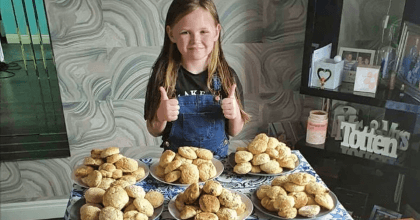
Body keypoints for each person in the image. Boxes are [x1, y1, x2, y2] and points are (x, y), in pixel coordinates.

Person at [144, 0, 249, 157]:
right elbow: (153, 130)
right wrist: (160, 116)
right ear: (171, 33)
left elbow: (234, 131)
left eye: (203, 32)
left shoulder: (227, 77)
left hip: (216, 166)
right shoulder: (162, 77)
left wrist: (234, 114)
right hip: (176, 168)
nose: (196, 40)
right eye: (185, 32)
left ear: (216, 31)